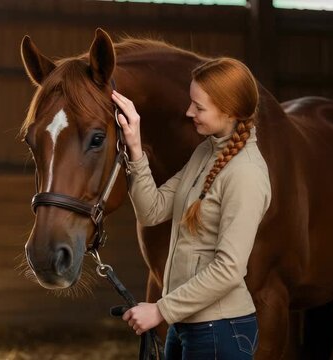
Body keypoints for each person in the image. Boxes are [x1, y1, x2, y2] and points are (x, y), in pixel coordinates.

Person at [111, 57, 272, 360]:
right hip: (187, 324)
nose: (188, 112)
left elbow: (229, 268)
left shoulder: (246, 174)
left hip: (219, 330)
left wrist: (160, 309)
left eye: (199, 107)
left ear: (230, 110)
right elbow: (152, 210)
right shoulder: (204, 152)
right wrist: (134, 146)